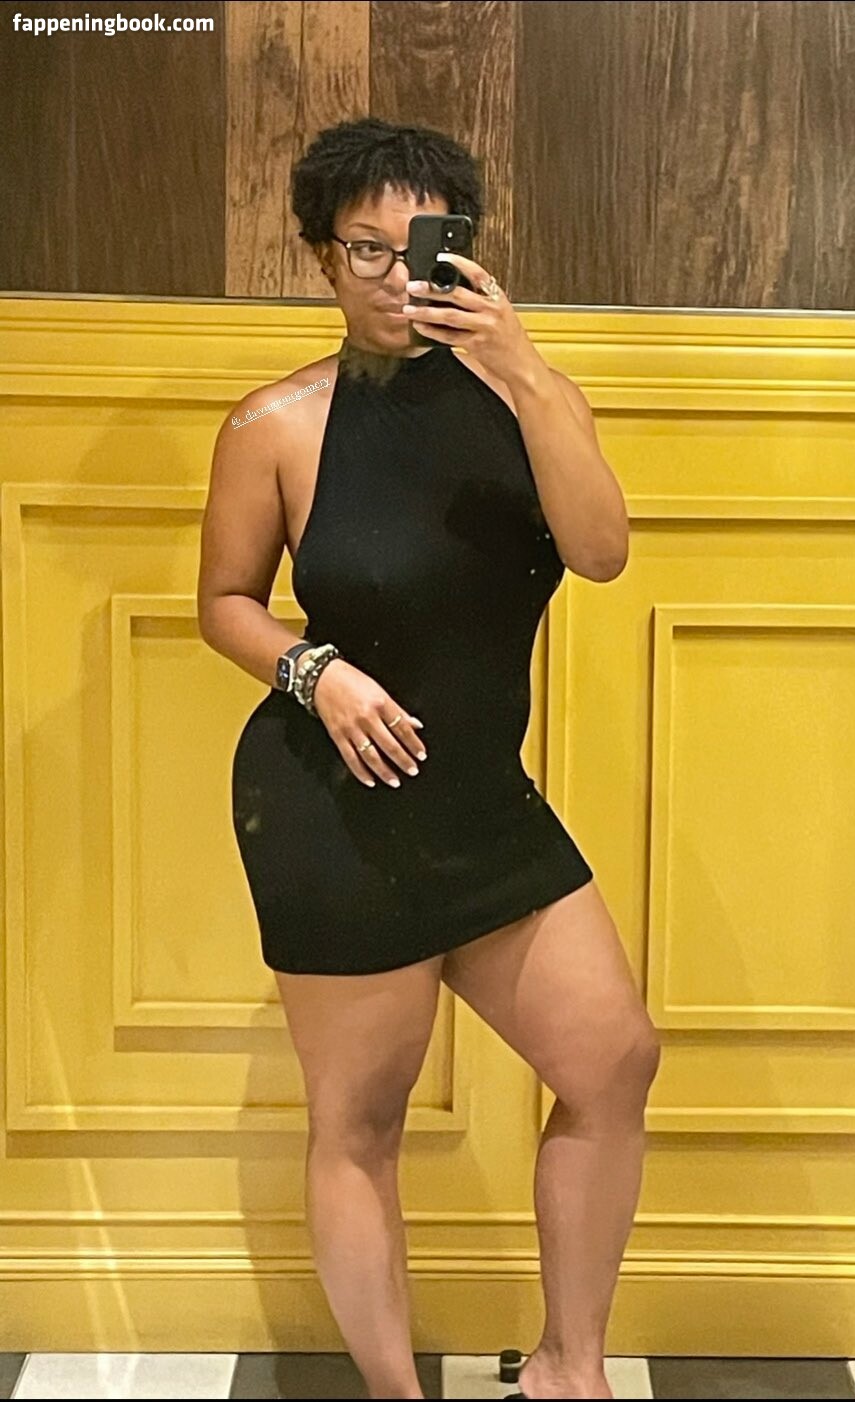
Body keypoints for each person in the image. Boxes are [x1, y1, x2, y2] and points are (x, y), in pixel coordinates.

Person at [196, 118, 661, 1401]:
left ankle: (568, 1367)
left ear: (468, 252)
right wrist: (318, 670)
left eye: (424, 250)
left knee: (612, 1059)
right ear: (321, 258)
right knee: (361, 1121)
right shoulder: (276, 423)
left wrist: (525, 368)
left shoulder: (526, 401)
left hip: (481, 804)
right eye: (366, 250)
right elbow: (225, 602)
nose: (397, 278)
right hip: (332, 807)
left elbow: (601, 550)